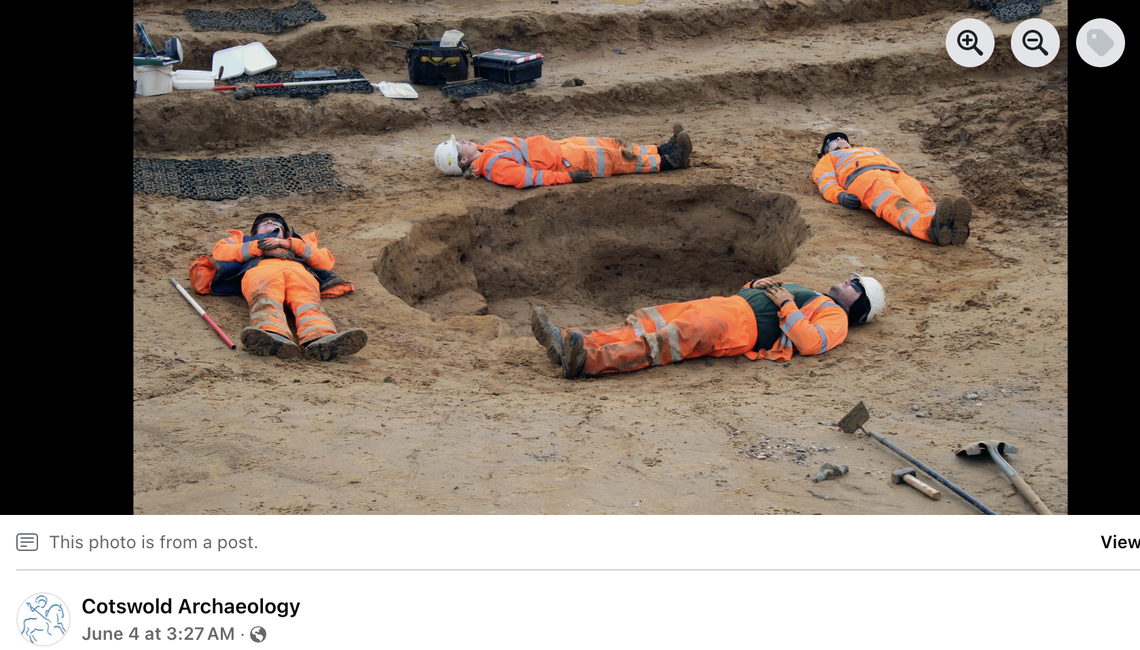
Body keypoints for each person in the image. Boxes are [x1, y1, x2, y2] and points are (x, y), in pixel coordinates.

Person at [530, 273, 885, 379]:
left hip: (740, 327)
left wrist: (785, 303)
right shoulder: (811, 290)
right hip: (728, 306)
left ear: (860, 307)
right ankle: (570, 340)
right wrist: (757, 284)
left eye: (857, 286)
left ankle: (588, 361)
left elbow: (810, 343)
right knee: (648, 319)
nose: (849, 282)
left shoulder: (836, 317)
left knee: (668, 339)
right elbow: (750, 289)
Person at [190, 212, 368, 361]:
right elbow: (221, 252)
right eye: (264, 222)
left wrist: (290, 244)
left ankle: (321, 338)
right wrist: (259, 248)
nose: (270, 222)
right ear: (255, 231)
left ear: (284, 232)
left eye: (276, 222)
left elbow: (325, 260)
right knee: (266, 300)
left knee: (309, 304)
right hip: (261, 270)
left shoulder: (300, 242)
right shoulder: (240, 240)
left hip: (299, 271)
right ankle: (271, 335)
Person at [812, 132, 971, 246]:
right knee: (896, 203)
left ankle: (950, 227)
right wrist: (840, 196)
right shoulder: (828, 158)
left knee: (922, 200)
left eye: (842, 138)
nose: (840, 139)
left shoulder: (870, 149)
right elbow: (825, 181)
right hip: (864, 176)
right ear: (826, 150)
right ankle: (928, 228)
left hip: (896, 175)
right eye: (834, 140)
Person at [434, 123, 693, 188]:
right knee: (613, 159)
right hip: (564, 161)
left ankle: (661, 149)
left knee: (611, 145)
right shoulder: (492, 166)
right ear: (464, 161)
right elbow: (531, 178)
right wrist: (568, 177)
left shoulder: (486, 148)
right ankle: (669, 162)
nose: (464, 141)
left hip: (561, 147)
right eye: (459, 147)